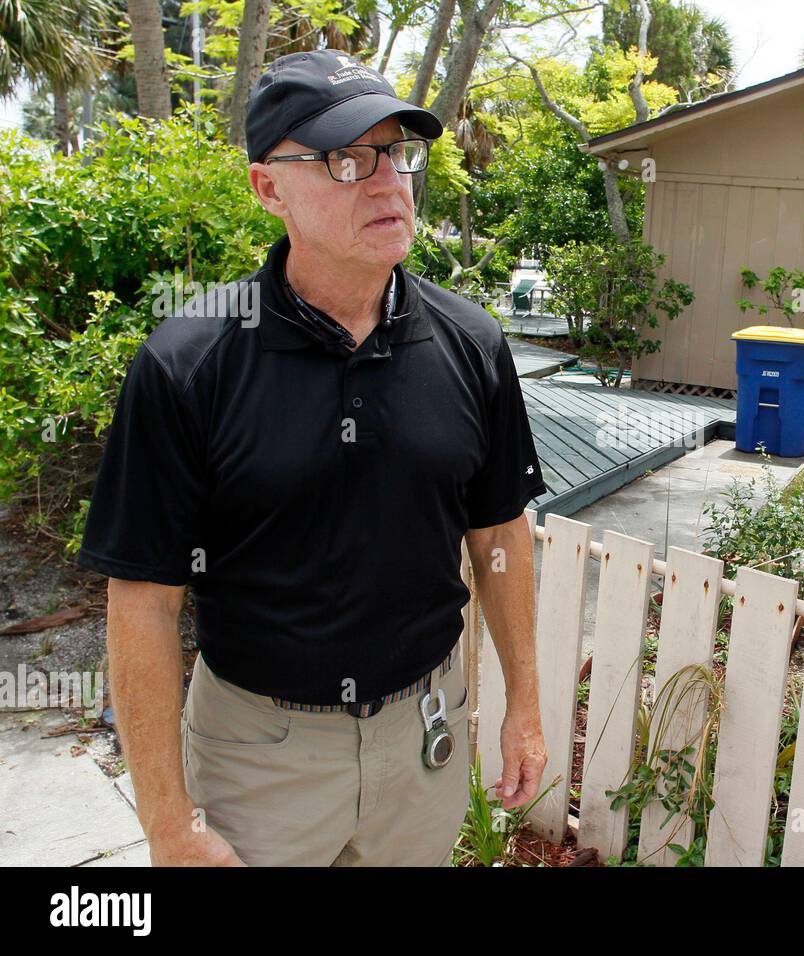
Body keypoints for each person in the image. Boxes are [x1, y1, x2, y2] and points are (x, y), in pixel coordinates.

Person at [76, 49, 550, 866]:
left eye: (395, 152)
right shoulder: (189, 363)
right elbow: (143, 601)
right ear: (269, 188)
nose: (386, 182)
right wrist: (170, 825)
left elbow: (499, 534)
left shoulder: (472, 344)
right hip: (259, 757)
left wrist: (525, 707)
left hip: (423, 744)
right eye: (344, 159)